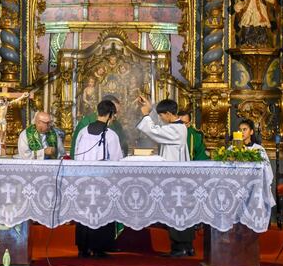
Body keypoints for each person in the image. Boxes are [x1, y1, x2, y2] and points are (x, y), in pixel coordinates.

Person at [136, 97, 195, 257]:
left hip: (175, 178)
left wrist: (146, 114)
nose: (161, 118)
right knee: (177, 210)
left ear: (169, 114)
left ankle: (181, 247)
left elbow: (154, 131)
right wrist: (150, 108)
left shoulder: (176, 130)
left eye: (162, 115)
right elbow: (158, 126)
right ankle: (185, 246)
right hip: (175, 176)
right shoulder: (174, 126)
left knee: (176, 210)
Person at [73, 100, 123, 257]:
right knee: (101, 211)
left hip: (82, 179)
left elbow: (76, 155)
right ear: (109, 115)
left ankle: (83, 248)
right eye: (113, 115)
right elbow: (116, 161)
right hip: (103, 180)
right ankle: (99, 248)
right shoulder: (111, 135)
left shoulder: (83, 131)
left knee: (84, 212)